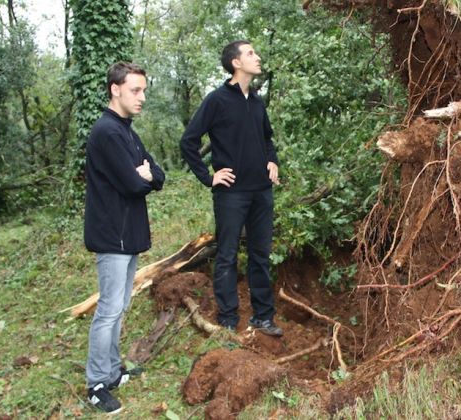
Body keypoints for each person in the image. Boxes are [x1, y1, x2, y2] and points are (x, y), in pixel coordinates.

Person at [180, 40, 283, 337]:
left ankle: (263, 317)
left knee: (260, 254)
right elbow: (188, 141)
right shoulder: (217, 100)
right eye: (251, 53)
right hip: (231, 194)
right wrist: (208, 176)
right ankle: (227, 321)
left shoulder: (257, 101)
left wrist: (272, 161)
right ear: (236, 63)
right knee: (226, 256)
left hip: (261, 191)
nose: (258, 56)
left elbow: (267, 139)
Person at [83, 62, 165, 414]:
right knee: (109, 309)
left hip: (128, 234)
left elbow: (158, 175)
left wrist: (147, 173)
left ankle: (112, 371)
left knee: (120, 306)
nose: (142, 97)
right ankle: (97, 383)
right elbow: (135, 183)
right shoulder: (108, 132)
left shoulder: (127, 131)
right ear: (115, 89)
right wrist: (143, 175)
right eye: (135, 90)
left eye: (144, 90)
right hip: (111, 234)